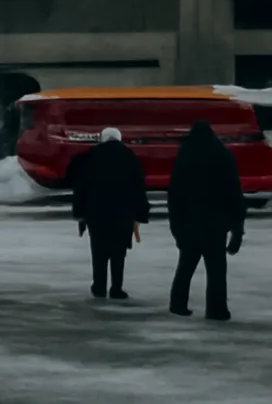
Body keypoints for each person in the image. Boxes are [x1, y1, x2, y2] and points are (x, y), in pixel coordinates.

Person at [168, 119, 246, 321]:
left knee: (185, 266)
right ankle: (216, 309)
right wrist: (237, 228)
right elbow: (234, 192)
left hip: (190, 222)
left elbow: (175, 194)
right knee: (217, 270)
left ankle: (178, 304)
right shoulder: (223, 155)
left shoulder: (185, 156)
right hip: (216, 224)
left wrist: (176, 227)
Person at [71, 127, 150, 300]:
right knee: (118, 252)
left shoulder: (90, 156)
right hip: (122, 214)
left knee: (98, 251)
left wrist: (79, 212)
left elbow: (81, 186)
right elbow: (138, 187)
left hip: (96, 213)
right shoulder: (129, 156)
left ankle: (99, 286)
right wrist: (141, 213)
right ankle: (116, 288)